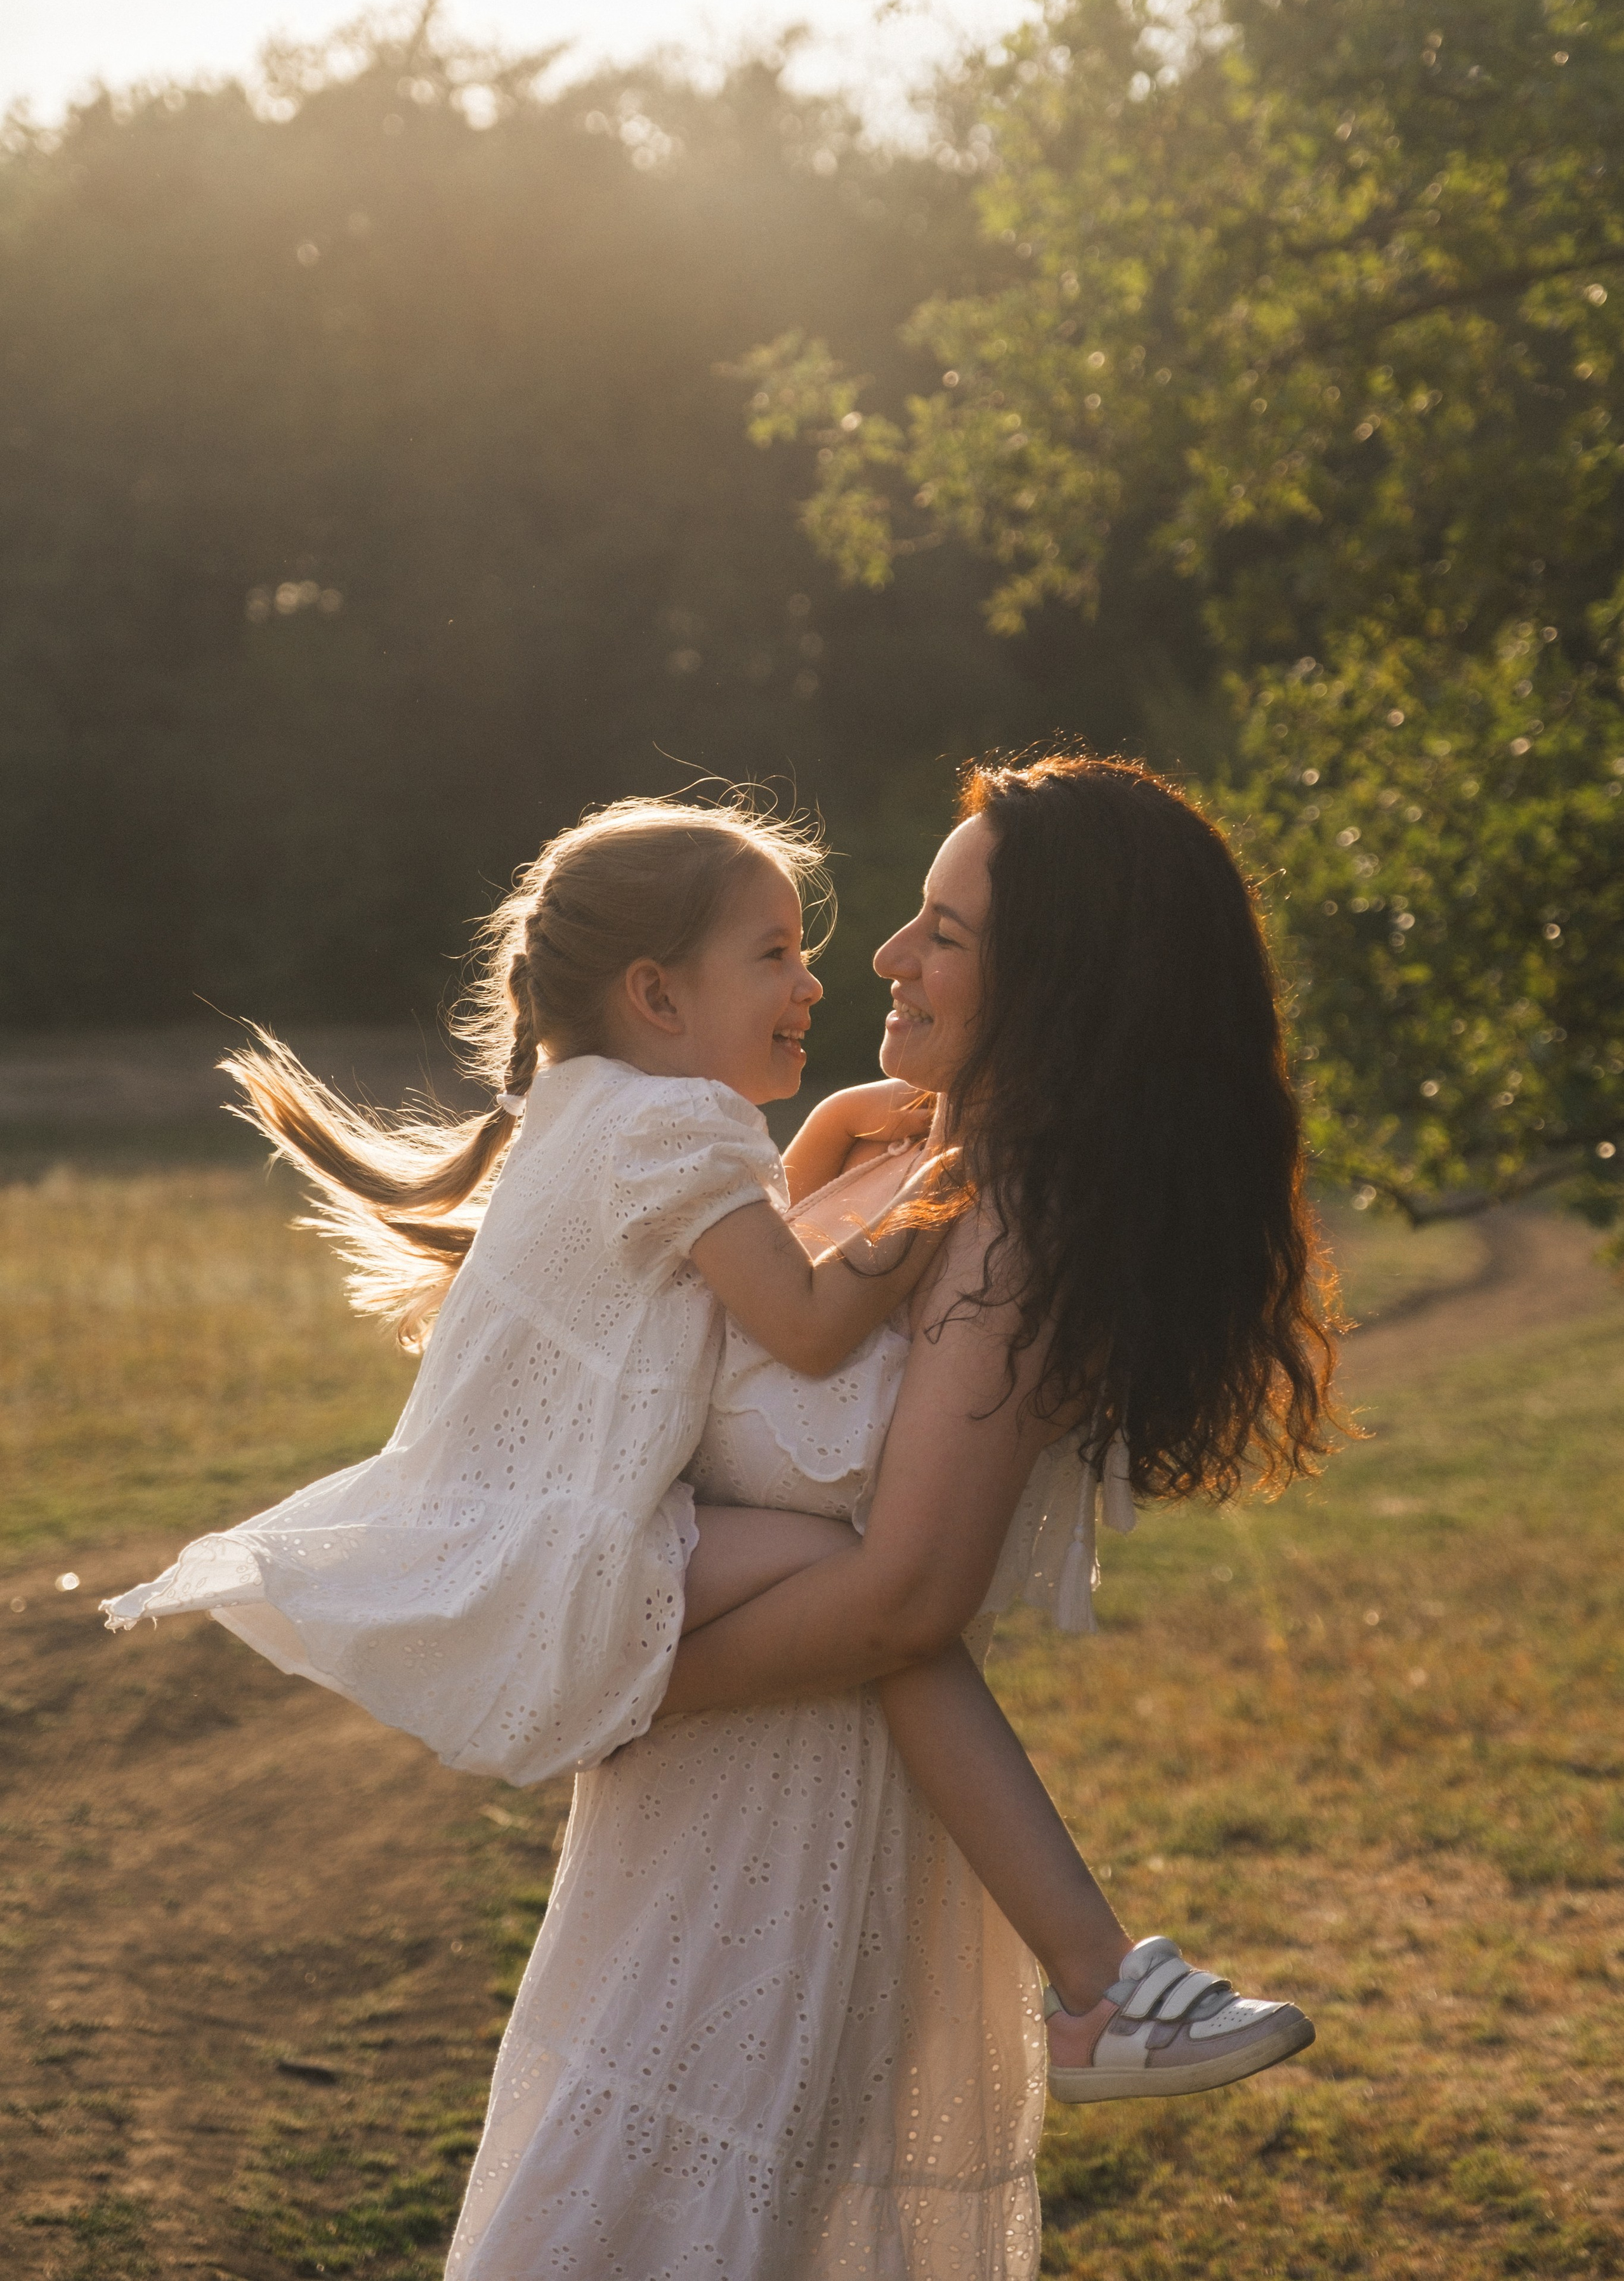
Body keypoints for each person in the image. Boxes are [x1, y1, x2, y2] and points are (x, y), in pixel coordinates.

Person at [102, 788, 1299, 2106]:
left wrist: (849, 1139)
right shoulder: (685, 1129)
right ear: (660, 999)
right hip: (586, 1579)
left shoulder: (604, 1111)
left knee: (878, 1605)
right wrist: (931, 1189)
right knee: (862, 1592)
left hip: (554, 1575)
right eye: (776, 953)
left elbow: (702, 1289)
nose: (854, 966)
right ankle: (1093, 1977)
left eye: (936, 931)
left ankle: (1095, 1980)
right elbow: (793, 1327)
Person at [444, 754, 1339, 2278]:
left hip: (787, 1850)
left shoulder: (1014, 1224)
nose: (882, 957)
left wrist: (608, 1683)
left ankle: (1100, 1982)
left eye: (942, 930)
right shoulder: (886, 1148)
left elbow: (910, 1600)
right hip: (670, 1842)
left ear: (1058, 987)